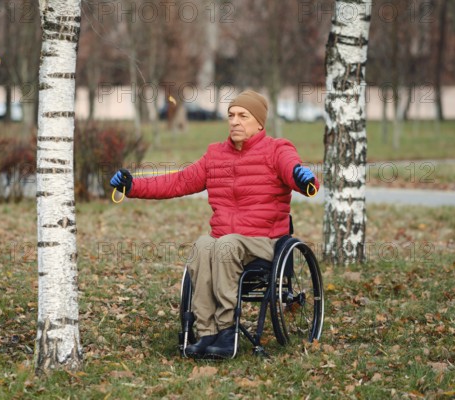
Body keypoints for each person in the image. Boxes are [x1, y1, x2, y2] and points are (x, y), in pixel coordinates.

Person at [110, 90, 319, 359]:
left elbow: (293, 169)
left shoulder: (277, 150)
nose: (234, 121)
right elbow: (179, 181)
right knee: (202, 245)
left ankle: (226, 330)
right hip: (225, 240)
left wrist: (302, 178)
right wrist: (133, 186)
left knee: (225, 246)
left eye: (243, 116)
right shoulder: (215, 155)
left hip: (265, 241)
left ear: (259, 123)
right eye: (231, 115)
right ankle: (206, 331)